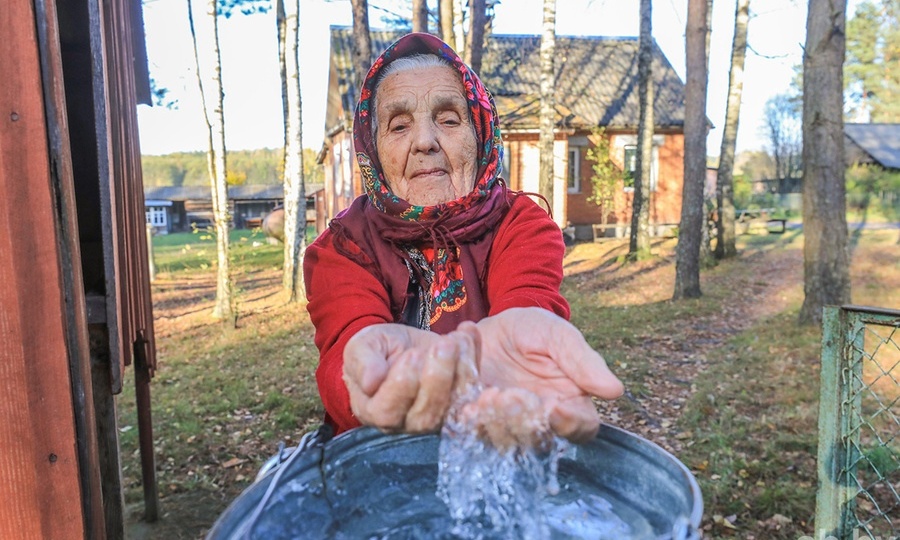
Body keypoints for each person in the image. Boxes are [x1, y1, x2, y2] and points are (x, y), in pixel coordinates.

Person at [303, 33, 623, 449]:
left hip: (494, 449)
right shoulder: (343, 247)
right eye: (399, 125)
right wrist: (366, 378)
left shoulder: (519, 224)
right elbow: (345, 353)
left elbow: (528, 303)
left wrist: (516, 351)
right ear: (373, 150)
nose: (424, 142)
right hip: (374, 459)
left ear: (480, 133)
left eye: (449, 119)